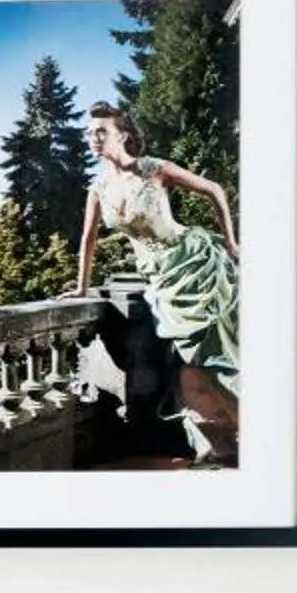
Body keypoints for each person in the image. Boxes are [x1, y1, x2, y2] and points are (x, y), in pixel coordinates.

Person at [74, 101, 239, 463]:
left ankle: (256, 438)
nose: (93, 138)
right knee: (189, 368)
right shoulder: (98, 188)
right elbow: (88, 240)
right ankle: (225, 443)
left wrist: (231, 242)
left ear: (124, 135)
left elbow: (215, 190)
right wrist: (82, 288)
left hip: (196, 266)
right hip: (162, 281)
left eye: (101, 131)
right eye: (90, 133)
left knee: (215, 357)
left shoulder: (154, 169)